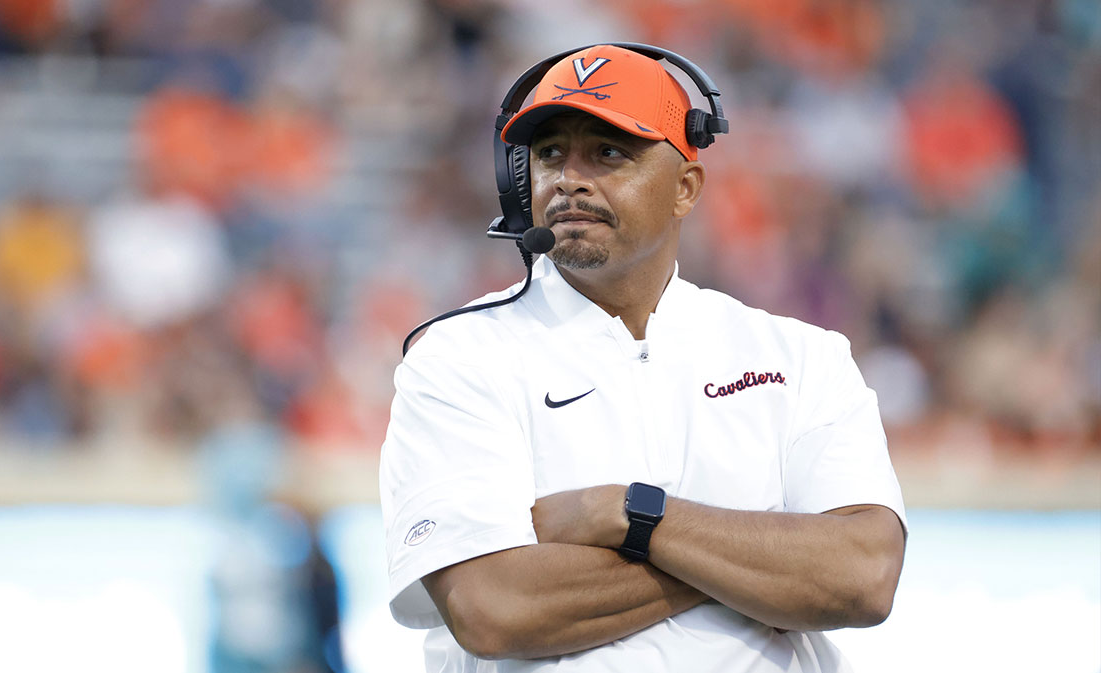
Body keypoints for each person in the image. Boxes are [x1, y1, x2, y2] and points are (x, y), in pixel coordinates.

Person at [379, 43, 907, 673]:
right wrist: (761, 564)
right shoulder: (455, 359)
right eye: (549, 154)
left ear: (685, 188)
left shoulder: (802, 356)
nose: (569, 178)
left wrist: (626, 514)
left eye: (608, 152)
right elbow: (492, 607)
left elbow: (862, 576)